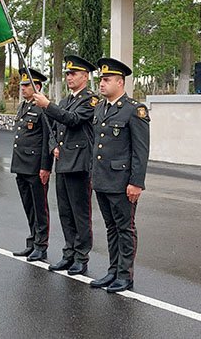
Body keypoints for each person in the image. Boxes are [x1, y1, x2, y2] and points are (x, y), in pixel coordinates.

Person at [88, 58, 150, 293]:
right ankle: (113, 270)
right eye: (101, 80)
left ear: (120, 82)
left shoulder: (135, 110)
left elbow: (140, 151)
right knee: (111, 227)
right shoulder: (101, 108)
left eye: (106, 80)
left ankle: (125, 275)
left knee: (125, 228)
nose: (101, 84)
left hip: (123, 182)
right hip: (103, 180)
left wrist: (136, 182)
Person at [32, 55, 98, 276]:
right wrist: (54, 147)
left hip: (79, 164)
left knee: (80, 213)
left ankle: (81, 257)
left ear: (85, 77)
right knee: (65, 212)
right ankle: (69, 253)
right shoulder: (66, 101)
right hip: (63, 162)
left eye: (74, 74)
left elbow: (72, 120)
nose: (69, 77)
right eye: (67, 74)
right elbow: (54, 130)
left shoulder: (90, 100)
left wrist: (47, 104)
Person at [10, 68, 53, 263]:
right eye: (22, 85)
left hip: (36, 167)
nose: (23, 88)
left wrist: (45, 167)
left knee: (40, 207)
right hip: (21, 165)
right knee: (29, 207)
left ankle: (41, 246)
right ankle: (32, 242)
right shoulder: (23, 106)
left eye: (27, 85)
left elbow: (47, 140)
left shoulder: (42, 108)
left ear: (38, 86)